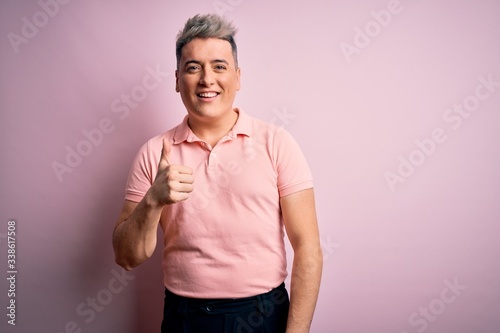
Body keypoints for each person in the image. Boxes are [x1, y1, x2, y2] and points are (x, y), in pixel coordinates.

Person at [112, 13, 322, 333]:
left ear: (237, 78)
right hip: (184, 317)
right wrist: (153, 200)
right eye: (193, 67)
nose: (207, 79)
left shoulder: (277, 143)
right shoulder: (154, 153)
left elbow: (308, 247)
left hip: (263, 314)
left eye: (219, 67)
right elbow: (127, 257)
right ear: (177, 79)